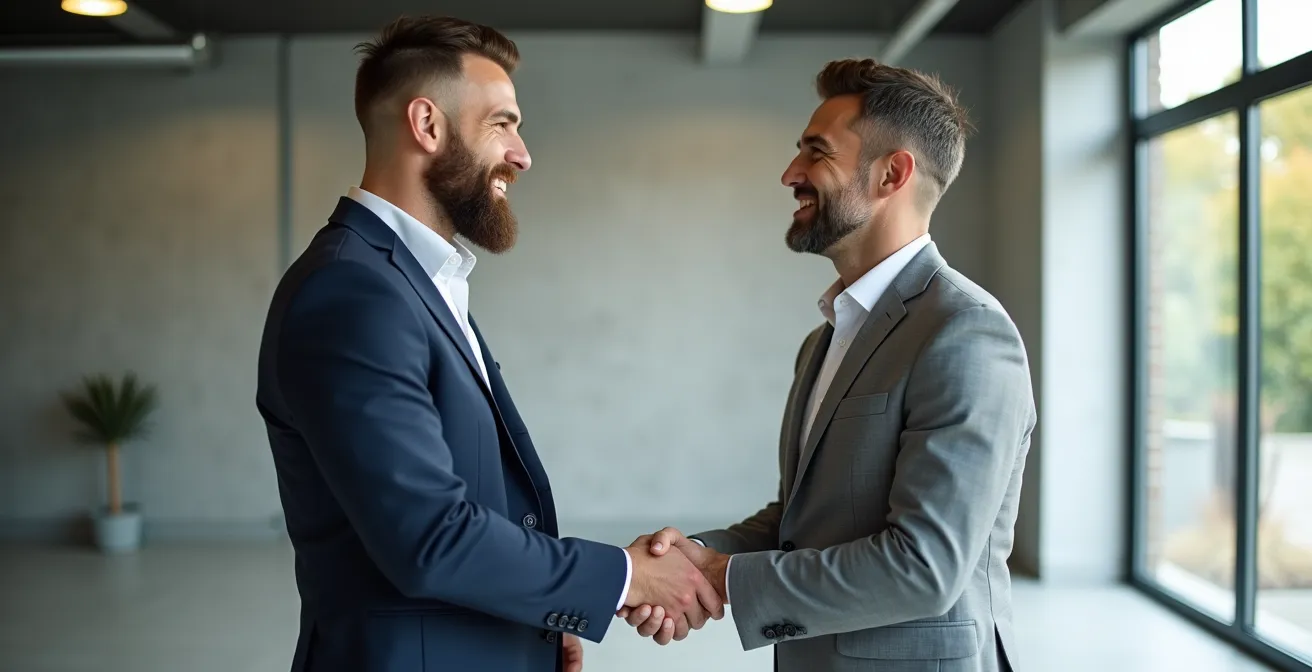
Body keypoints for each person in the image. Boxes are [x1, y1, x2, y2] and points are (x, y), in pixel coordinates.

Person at [255, 16, 721, 672]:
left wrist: (533, 620)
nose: (523, 153)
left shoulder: (412, 279)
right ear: (427, 124)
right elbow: (428, 537)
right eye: (502, 123)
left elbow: (470, 502)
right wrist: (626, 578)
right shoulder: (351, 293)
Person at [620, 58, 1035, 672]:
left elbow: (924, 568)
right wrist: (694, 553)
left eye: (816, 152)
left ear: (892, 173)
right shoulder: (825, 340)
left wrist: (721, 577)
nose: (791, 173)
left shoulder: (966, 332)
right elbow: (804, 520)